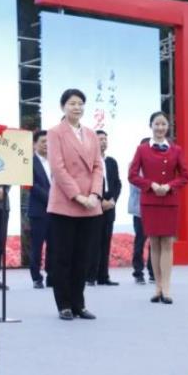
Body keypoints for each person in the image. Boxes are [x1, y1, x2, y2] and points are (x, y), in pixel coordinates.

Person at [47, 88, 102, 321]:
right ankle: (64, 305)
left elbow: (98, 166)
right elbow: (57, 169)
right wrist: (78, 196)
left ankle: (79, 303)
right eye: (72, 103)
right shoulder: (55, 133)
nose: (77, 107)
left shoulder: (91, 134)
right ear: (63, 107)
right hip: (66, 203)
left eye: (80, 103)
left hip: (90, 204)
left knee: (83, 258)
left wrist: (95, 194)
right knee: (63, 257)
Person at [129, 111, 188, 305]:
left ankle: (166, 287)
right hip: (150, 201)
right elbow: (132, 175)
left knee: (167, 243)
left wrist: (170, 186)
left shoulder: (176, 150)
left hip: (169, 201)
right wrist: (151, 185)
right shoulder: (142, 149)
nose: (160, 127)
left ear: (168, 127)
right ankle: (157, 287)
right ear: (151, 126)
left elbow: (185, 176)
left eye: (164, 124)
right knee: (154, 243)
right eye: (157, 124)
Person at [86, 130, 121, 286]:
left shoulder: (111, 162)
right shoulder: (88, 161)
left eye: (105, 139)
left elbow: (117, 183)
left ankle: (103, 276)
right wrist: (99, 201)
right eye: (100, 139)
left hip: (110, 206)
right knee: (92, 243)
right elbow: (87, 183)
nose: (103, 142)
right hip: (94, 206)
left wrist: (112, 200)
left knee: (106, 242)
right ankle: (90, 276)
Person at [27, 130, 52, 289]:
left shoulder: (55, 161)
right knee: (37, 246)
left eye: (49, 142)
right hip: (39, 210)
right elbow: (32, 185)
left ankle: (52, 275)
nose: (46, 145)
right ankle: (36, 277)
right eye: (43, 141)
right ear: (34, 144)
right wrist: (51, 198)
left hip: (56, 211)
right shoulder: (29, 162)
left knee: (54, 245)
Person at [128, 182, 154, 284]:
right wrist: (155, 187)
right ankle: (138, 273)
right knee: (139, 242)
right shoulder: (135, 170)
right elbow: (138, 186)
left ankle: (153, 272)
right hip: (139, 211)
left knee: (154, 242)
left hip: (154, 210)